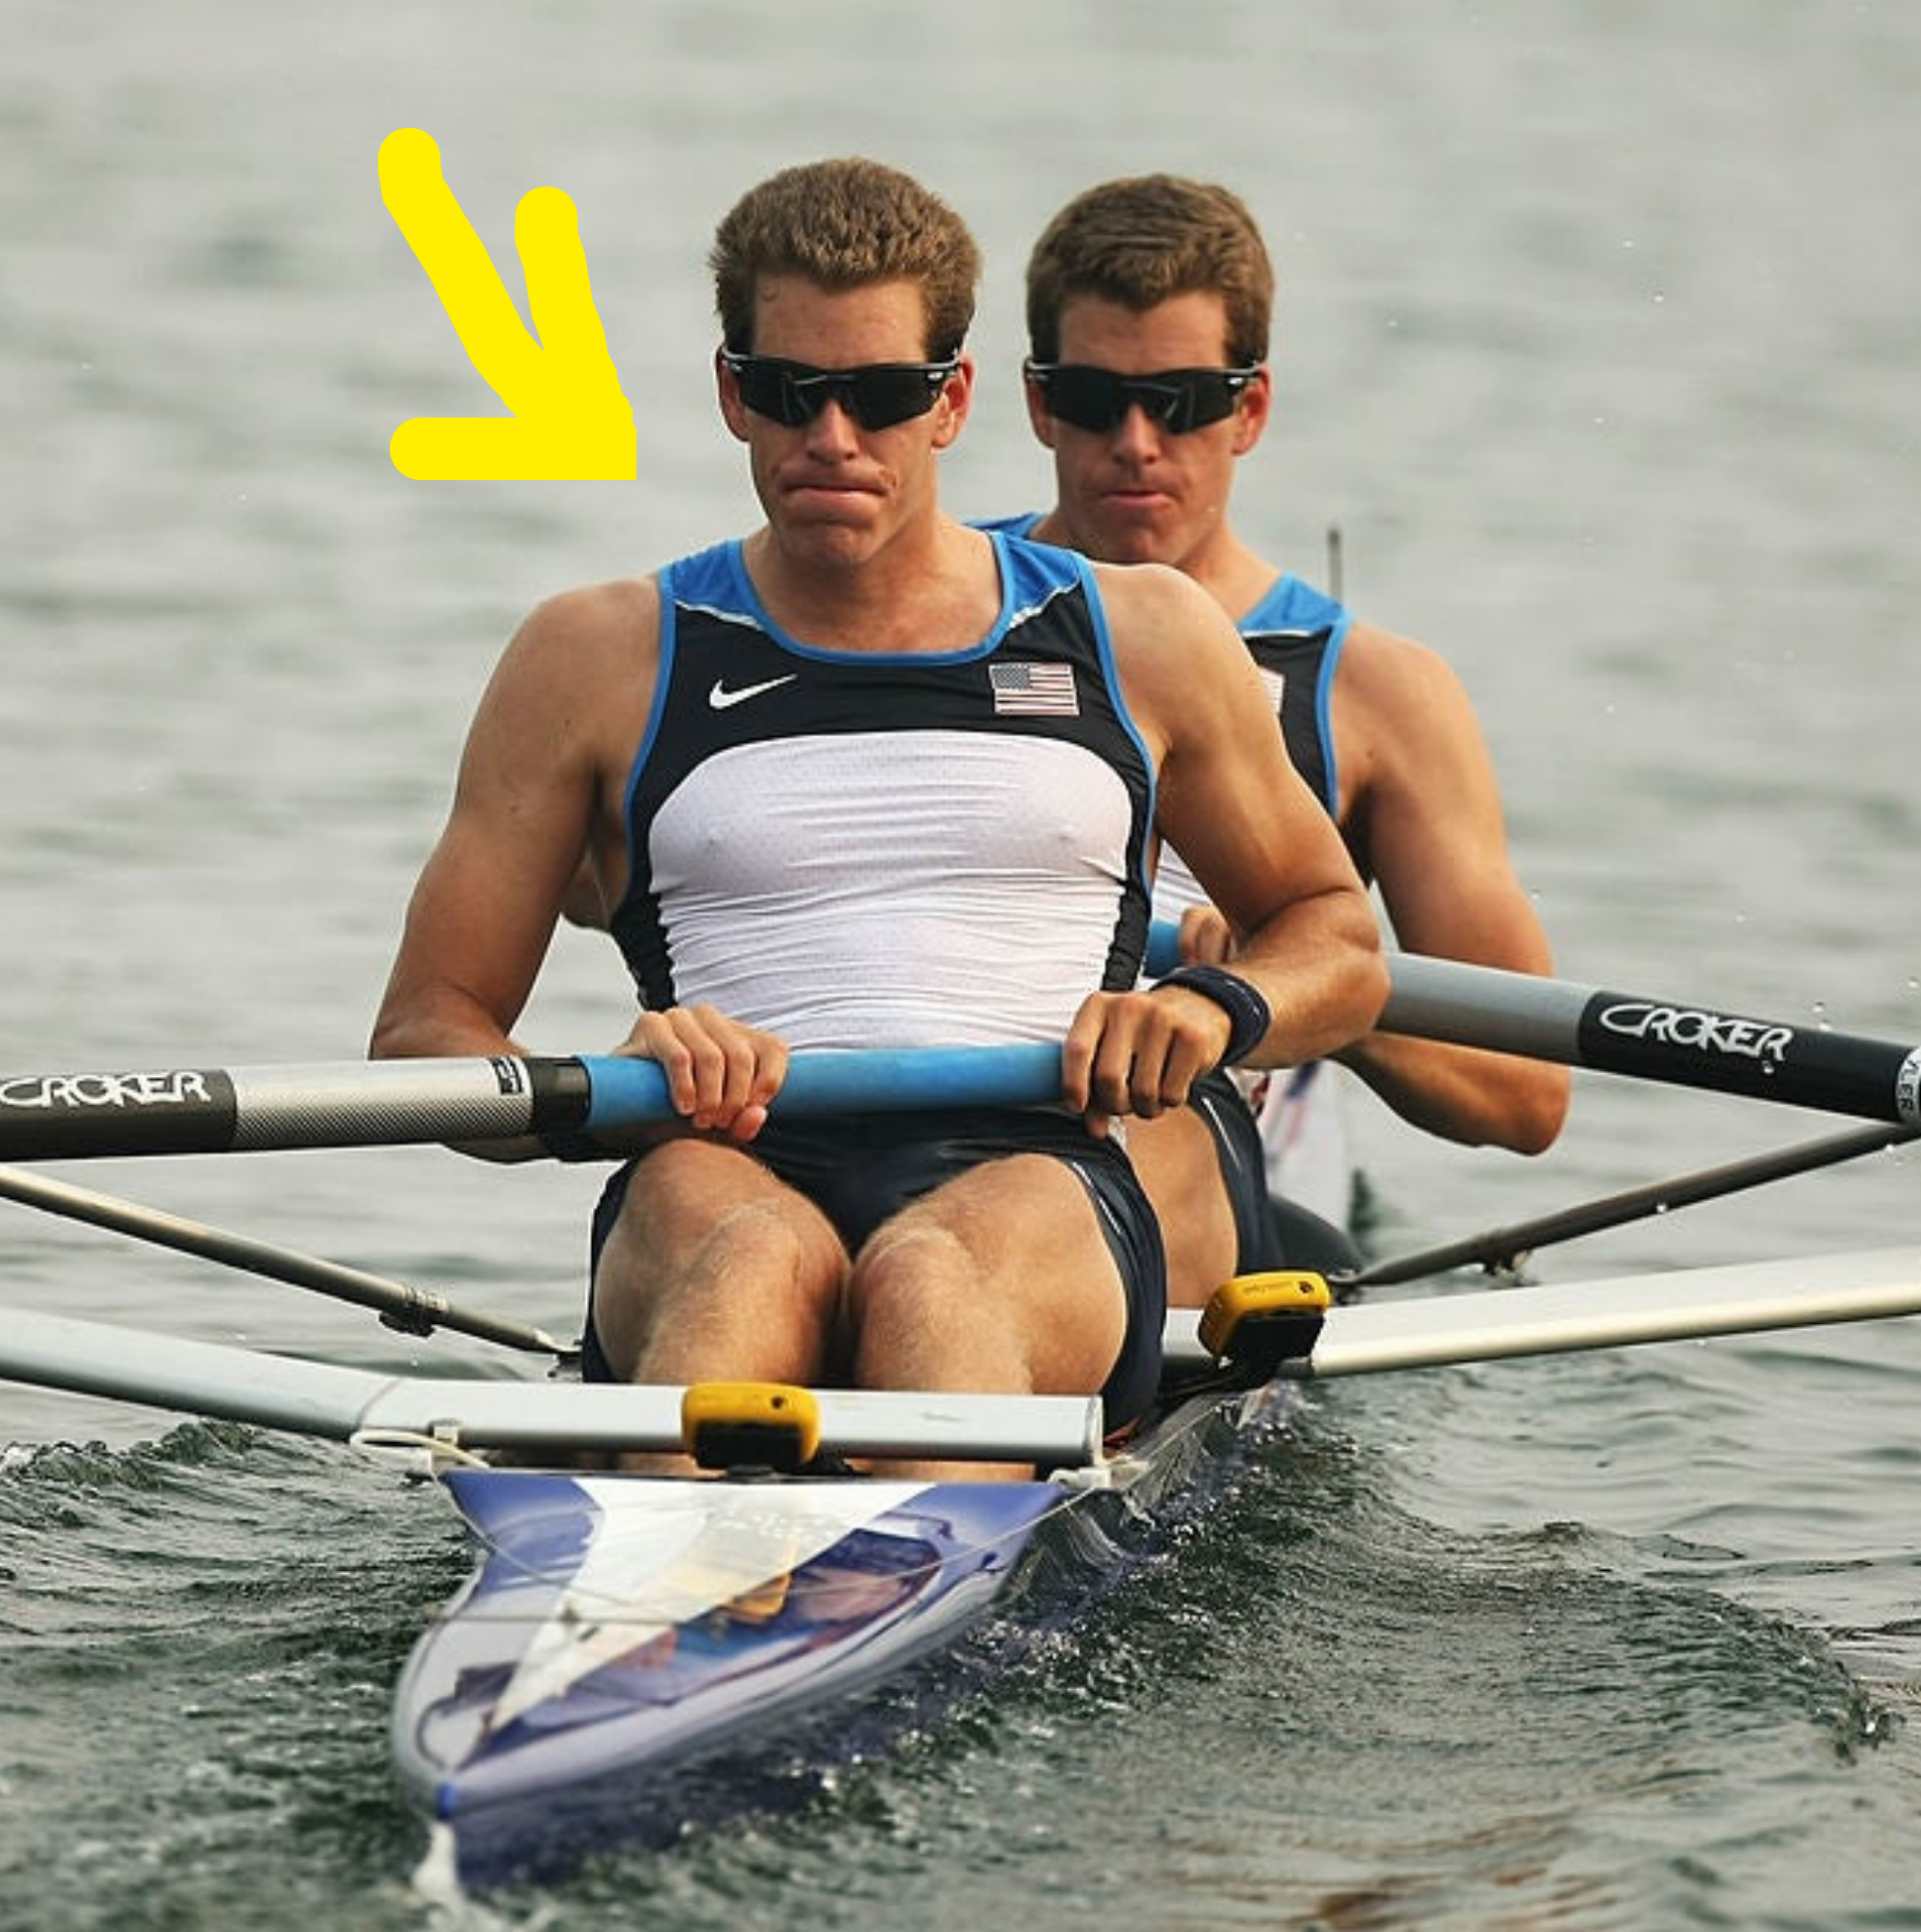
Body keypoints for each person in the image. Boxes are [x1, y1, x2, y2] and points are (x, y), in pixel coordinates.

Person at [368, 159, 1384, 1470]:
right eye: (791, 391)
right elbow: (424, 1036)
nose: (832, 436)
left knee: (925, 1285)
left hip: (1035, 1161)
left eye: (881, 394)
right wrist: (618, 1092)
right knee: (747, 1266)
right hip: (719, 1160)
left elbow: (1334, 939)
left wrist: (1211, 1008)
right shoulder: (596, 655)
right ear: (733, 393)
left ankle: (860, 1576)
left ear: (953, 399)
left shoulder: (1139, 636)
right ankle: (631, 1618)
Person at [994, 174, 1568, 1305]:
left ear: (1251, 410)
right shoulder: (916, 615)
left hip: (1192, 1158)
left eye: (1186, 402)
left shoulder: (1375, 695)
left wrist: (1288, 991)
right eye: (1096, 399)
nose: (1138, 443)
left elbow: (1525, 1094)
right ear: (1037, 403)